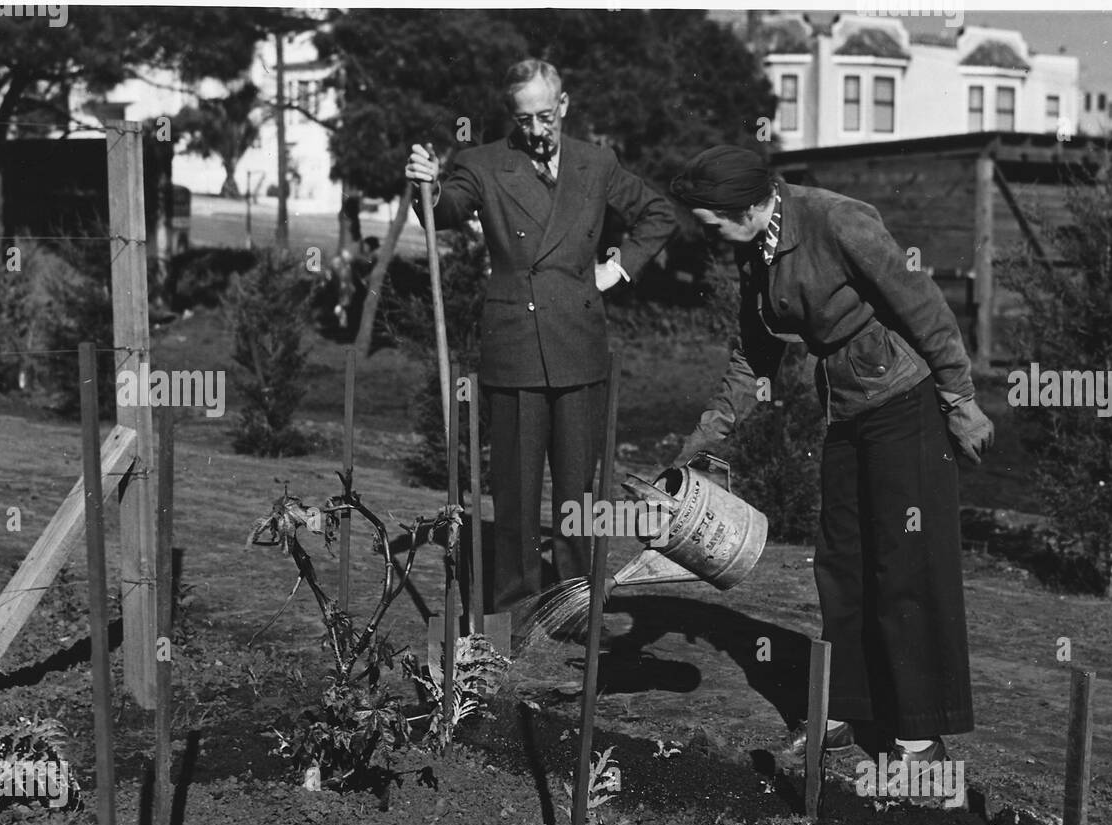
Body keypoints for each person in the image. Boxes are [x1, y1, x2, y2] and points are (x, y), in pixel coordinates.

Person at [670, 145, 993, 769]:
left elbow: (921, 304)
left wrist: (960, 396)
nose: (707, 232)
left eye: (710, 219)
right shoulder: (754, 251)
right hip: (845, 406)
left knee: (905, 565)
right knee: (841, 561)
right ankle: (846, 707)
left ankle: (919, 734)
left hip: (906, 400)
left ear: (742, 206)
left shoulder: (835, 219)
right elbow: (752, 355)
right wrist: (708, 434)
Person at [405, 59, 675, 614]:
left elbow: (657, 212)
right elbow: (448, 208)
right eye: (524, 117)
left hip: (579, 341)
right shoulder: (482, 163)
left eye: (546, 115)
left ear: (565, 105)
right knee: (516, 492)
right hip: (516, 346)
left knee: (579, 488)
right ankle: (513, 600)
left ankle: (575, 600)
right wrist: (427, 188)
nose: (536, 128)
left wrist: (615, 269)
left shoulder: (597, 163)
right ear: (512, 115)